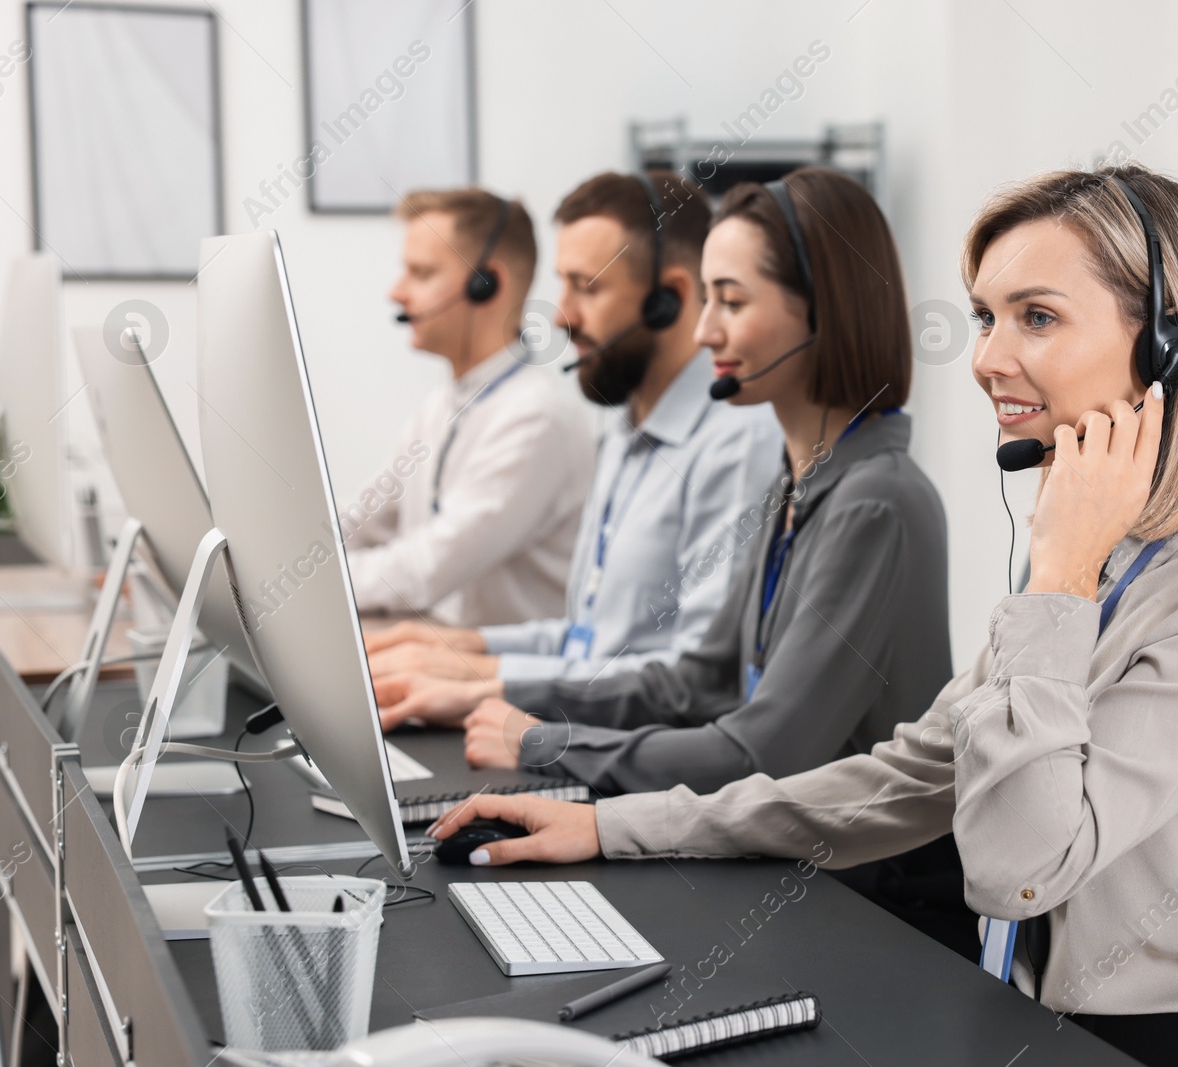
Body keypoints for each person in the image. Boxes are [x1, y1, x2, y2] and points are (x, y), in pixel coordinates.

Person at [423, 166, 1178, 1067]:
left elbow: (1017, 865)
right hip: (1030, 1013)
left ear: (1167, 350)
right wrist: (618, 827)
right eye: (986, 317)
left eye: (1037, 316)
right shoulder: (1094, 569)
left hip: (1168, 1042)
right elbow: (914, 774)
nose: (986, 357)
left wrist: (1057, 579)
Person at [380, 167, 951, 798]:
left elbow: (762, 749)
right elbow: (700, 682)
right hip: (767, 838)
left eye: (730, 302)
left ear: (825, 316)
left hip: (848, 886)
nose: (705, 331)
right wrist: (488, 686)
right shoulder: (797, 485)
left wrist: (544, 741)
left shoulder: (872, 505)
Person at [364, 171, 780, 699]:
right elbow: (587, 643)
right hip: (588, 735)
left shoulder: (735, 446)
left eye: (587, 287)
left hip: (632, 767)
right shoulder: (627, 433)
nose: (560, 315)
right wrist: (458, 651)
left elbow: (699, 681)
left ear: (668, 299)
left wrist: (484, 686)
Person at [343, 188, 594, 627]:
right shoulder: (443, 405)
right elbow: (367, 519)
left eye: (420, 273)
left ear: (486, 285)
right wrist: (285, 555)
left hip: (504, 686)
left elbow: (425, 571)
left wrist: (301, 582)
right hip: (437, 657)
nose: (397, 292)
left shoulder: (536, 418)